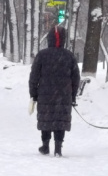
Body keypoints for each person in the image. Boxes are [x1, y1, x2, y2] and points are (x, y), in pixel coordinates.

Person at [28, 26, 81, 157]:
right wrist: (72, 95)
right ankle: (58, 147)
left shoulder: (42, 55)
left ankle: (45, 145)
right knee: (60, 119)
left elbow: (34, 76)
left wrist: (33, 94)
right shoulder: (69, 56)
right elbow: (76, 78)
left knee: (46, 119)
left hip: (45, 94)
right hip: (64, 95)